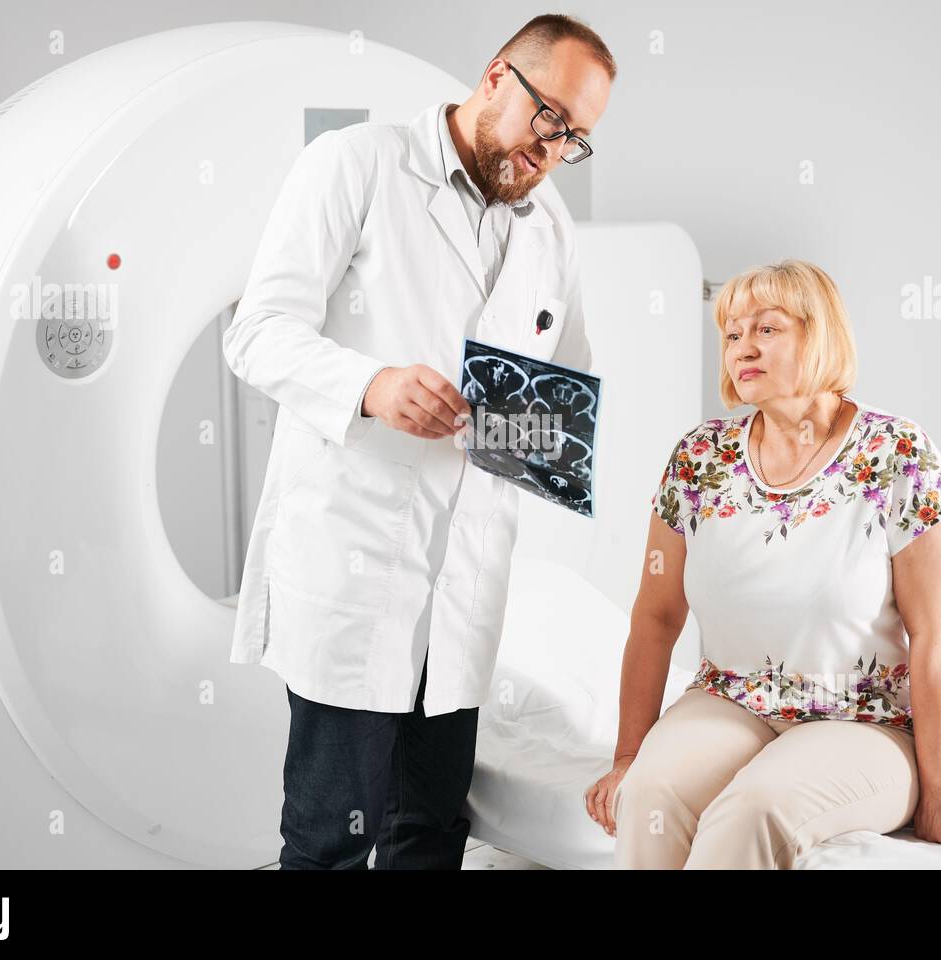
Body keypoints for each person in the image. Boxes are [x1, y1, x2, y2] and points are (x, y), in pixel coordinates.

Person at [223, 14, 614, 869]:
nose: (551, 152)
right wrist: (373, 387)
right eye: (549, 120)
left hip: (464, 584)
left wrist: (523, 427)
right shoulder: (356, 166)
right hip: (355, 566)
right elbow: (256, 334)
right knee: (329, 839)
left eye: (575, 140)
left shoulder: (549, 229)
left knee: (433, 834)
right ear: (496, 77)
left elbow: (568, 399)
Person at [583, 259, 941, 868]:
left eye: (767, 329)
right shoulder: (700, 457)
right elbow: (656, 618)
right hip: (729, 699)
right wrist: (626, 757)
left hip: (863, 720)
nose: (743, 347)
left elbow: (936, 638)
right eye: (732, 334)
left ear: (818, 334)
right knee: (649, 795)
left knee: (752, 810)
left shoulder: (899, 454)